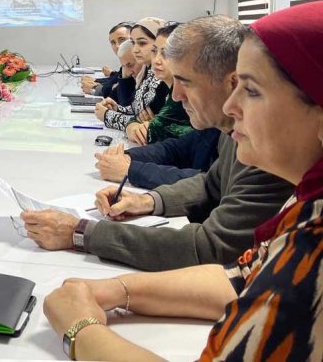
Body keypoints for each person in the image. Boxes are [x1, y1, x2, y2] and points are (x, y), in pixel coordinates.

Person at [42, 2, 323, 362]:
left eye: (251, 90)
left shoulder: (314, 246)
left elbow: (216, 249)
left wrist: (80, 330)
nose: (231, 104)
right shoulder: (305, 202)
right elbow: (242, 274)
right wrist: (118, 290)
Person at [22, 15, 295, 272]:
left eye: (185, 82)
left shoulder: (267, 147)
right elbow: (211, 183)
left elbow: (210, 247)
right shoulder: (233, 129)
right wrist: (149, 200)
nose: (175, 95)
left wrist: (82, 232)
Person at [94, 17, 239, 190]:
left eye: (186, 82)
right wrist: (125, 156)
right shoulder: (218, 126)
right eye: (155, 51)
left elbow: (213, 184)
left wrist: (130, 170)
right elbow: (177, 148)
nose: (176, 96)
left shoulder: (248, 136)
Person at [96, 17, 170, 131]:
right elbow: (138, 110)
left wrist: (107, 116)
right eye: (133, 43)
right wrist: (117, 109)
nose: (135, 49)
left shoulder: (165, 75)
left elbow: (160, 126)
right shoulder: (150, 71)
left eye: (142, 43)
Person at [125, 23, 192, 145]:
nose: (156, 60)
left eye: (166, 53)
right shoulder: (165, 87)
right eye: (154, 51)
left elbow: (151, 133)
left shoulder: (186, 92)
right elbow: (138, 117)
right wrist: (133, 127)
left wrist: (145, 127)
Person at [81, 22, 132, 95]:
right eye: (113, 42)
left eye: (122, 40)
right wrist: (97, 81)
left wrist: (95, 88)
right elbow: (117, 80)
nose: (117, 46)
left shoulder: (138, 63)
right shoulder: (126, 62)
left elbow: (123, 90)